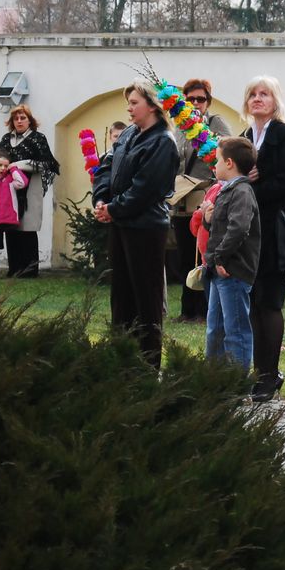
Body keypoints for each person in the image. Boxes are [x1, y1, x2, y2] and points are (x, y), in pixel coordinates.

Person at [93, 82, 180, 371]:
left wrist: (113, 209)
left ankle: (147, 366)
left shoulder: (163, 142)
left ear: (152, 106)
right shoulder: (129, 133)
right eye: (128, 103)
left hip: (146, 228)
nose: (128, 108)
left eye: (134, 103)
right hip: (121, 223)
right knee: (121, 296)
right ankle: (122, 359)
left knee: (146, 299)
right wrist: (101, 199)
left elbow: (146, 189)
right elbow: (106, 167)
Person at [240, 76, 285, 401]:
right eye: (253, 94)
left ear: (275, 100)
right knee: (252, 302)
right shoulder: (245, 136)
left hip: (274, 230)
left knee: (270, 302)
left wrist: (255, 184)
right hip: (248, 232)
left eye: (264, 94)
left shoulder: (284, 134)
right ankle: (259, 372)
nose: (258, 98)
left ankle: (270, 373)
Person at [173, 79, 233, 322]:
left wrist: (204, 135)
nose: (196, 103)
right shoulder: (178, 126)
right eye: (191, 99)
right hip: (182, 199)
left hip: (206, 198)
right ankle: (187, 309)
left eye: (201, 99)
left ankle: (205, 309)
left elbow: (226, 154)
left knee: (203, 254)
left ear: (208, 101)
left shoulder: (215, 122)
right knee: (185, 256)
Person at [203, 137, 260, 375]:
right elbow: (221, 226)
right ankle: (213, 379)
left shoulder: (242, 191)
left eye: (217, 160)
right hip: (219, 269)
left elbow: (239, 228)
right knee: (215, 329)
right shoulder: (226, 190)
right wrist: (207, 219)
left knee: (235, 330)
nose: (214, 165)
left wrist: (219, 257)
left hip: (233, 270)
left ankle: (237, 382)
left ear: (229, 163)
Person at [0, 104, 60, 277]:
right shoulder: (6, 139)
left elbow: (47, 164)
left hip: (31, 187)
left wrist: (19, 164)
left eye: (23, 118)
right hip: (9, 188)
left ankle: (30, 270)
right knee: (10, 226)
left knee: (28, 228)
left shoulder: (38, 138)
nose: (19, 121)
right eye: (16, 118)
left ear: (29, 121)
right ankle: (14, 268)